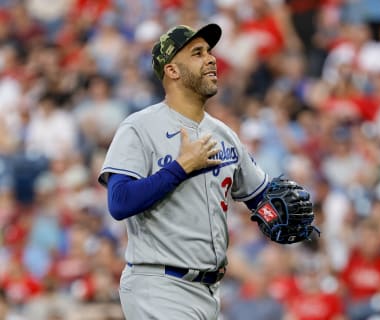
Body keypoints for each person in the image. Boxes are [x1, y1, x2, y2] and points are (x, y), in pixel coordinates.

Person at [97, 23, 299, 319]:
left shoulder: (224, 135)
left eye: (210, 52)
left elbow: (259, 200)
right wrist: (180, 168)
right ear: (172, 71)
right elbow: (119, 202)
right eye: (197, 53)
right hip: (158, 285)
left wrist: (276, 217)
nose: (211, 59)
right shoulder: (139, 127)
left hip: (210, 292)